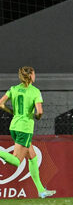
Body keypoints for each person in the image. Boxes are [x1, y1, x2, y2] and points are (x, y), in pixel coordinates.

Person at [0, 66, 56, 198]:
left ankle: (41, 190)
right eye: (34, 74)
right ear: (30, 76)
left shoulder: (13, 89)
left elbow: (1, 104)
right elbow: (40, 111)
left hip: (14, 126)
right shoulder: (35, 91)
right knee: (17, 161)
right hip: (25, 128)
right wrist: (38, 117)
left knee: (33, 157)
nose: (35, 76)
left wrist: (12, 112)